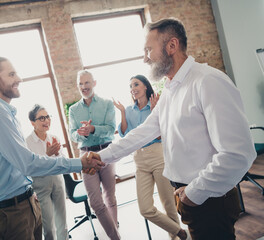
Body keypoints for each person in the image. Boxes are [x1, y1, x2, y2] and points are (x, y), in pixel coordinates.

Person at [89, 18, 257, 240]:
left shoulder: (208, 81)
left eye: (149, 50)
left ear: (172, 46)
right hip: (188, 196)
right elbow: (144, 132)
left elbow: (239, 153)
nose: (145, 58)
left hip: (210, 200)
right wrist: (101, 157)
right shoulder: (170, 88)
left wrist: (194, 192)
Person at [0, 57, 104, 240]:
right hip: (8, 211)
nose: (19, 79)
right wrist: (79, 163)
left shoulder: (6, 112)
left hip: (24, 202)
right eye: (11, 74)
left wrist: (28, 192)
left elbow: (15, 166)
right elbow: (27, 163)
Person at [113, 74, 189, 240]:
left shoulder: (157, 105)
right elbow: (125, 134)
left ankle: (175, 237)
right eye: (131, 86)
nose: (133, 89)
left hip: (157, 156)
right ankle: (179, 231)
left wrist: (155, 111)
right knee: (145, 208)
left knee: (169, 205)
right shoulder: (130, 110)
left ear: (145, 86)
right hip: (139, 160)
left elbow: (162, 134)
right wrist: (123, 113)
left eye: (136, 84)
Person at [68, 70, 120, 240]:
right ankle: (115, 237)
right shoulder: (74, 110)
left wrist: (93, 129)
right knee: (95, 203)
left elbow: (111, 129)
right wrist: (81, 133)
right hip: (86, 156)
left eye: (87, 83)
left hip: (106, 153)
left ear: (94, 83)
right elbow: (72, 135)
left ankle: (115, 228)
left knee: (109, 196)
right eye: (80, 84)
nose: (84, 87)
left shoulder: (106, 104)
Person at [25, 104, 69, 240]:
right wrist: (47, 154)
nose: (46, 121)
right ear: (33, 122)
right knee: (49, 228)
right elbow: (31, 167)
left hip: (58, 181)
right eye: (42, 118)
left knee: (63, 223)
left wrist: (57, 154)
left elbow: (63, 163)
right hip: (41, 187)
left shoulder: (54, 138)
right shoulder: (27, 142)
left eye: (48, 117)